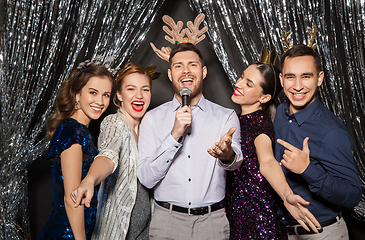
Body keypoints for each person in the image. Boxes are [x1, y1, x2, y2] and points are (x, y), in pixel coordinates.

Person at [137, 42, 243, 240]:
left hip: (212, 223)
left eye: (192, 65)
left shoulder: (225, 116)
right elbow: (146, 178)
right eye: (178, 66)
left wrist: (227, 154)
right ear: (170, 74)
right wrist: (174, 135)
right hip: (166, 222)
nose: (186, 71)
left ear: (203, 71)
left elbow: (236, 161)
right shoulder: (152, 119)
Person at [274, 44, 362, 239]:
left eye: (306, 76)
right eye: (290, 77)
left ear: (319, 78)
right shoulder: (280, 113)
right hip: (282, 230)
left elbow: (353, 195)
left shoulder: (331, 132)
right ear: (281, 80)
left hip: (321, 232)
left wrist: (307, 170)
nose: (297, 86)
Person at [226, 62, 321, 239]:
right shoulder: (236, 120)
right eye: (241, 77)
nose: (238, 84)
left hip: (259, 223)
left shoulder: (260, 124)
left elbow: (268, 162)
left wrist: (287, 196)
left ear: (264, 98)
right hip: (237, 217)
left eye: (249, 84)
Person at [71, 63, 154, 240]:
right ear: (119, 95)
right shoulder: (114, 123)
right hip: (119, 231)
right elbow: (108, 155)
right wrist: (90, 180)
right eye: (131, 89)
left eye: (145, 89)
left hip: (148, 231)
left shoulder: (150, 127)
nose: (139, 95)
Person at [37, 62, 114, 240]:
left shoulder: (78, 129)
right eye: (93, 93)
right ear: (77, 94)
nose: (100, 102)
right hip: (68, 233)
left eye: (106, 95)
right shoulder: (74, 132)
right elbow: (72, 199)